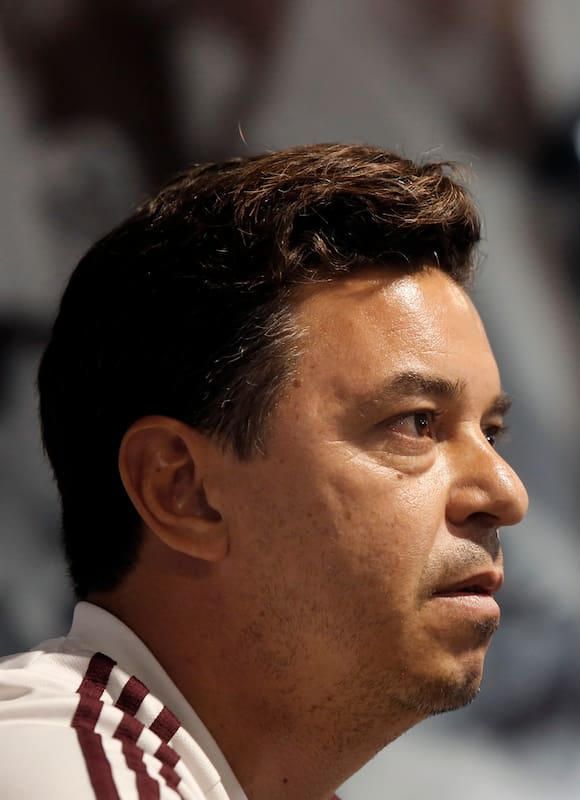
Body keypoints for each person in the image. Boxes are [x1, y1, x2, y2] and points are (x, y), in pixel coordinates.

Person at [0, 143, 530, 799]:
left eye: (491, 431)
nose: (506, 493)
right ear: (184, 492)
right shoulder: (57, 768)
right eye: (417, 422)